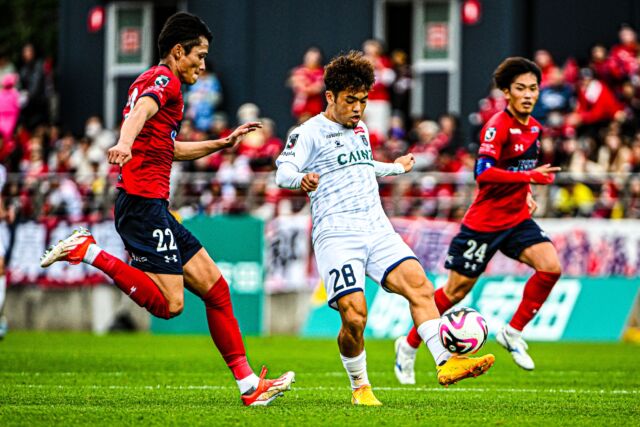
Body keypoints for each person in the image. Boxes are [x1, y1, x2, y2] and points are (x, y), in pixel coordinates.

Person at [39, 12, 294, 406]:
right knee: (171, 305)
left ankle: (248, 386)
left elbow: (168, 148)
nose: (204, 65)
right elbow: (141, 110)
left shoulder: (162, 85)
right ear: (179, 52)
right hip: (141, 205)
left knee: (216, 287)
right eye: (200, 55)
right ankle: (87, 251)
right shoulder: (165, 80)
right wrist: (123, 143)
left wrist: (221, 143)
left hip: (152, 205)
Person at [275, 51, 494, 406]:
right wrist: (302, 178)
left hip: (376, 227)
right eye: (351, 101)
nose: (358, 108)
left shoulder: (359, 128)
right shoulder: (309, 132)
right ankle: (360, 386)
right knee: (355, 316)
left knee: (421, 286)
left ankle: (446, 362)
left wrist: (394, 168)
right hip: (337, 234)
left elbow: (360, 165)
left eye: (363, 100)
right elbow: (282, 170)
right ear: (330, 97)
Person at [394, 57, 562, 384]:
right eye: (520, 89)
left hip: (516, 220)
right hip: (483, 224)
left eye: (533, 88)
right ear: (506, 92)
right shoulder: (497, 126)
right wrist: (528, 176)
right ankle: (409, 344)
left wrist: (526, 190)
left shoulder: (535, 129)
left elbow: (516, 170)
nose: (528, 94)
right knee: (454, 292)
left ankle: (512, 332)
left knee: (550, 267)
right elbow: (483, 173)